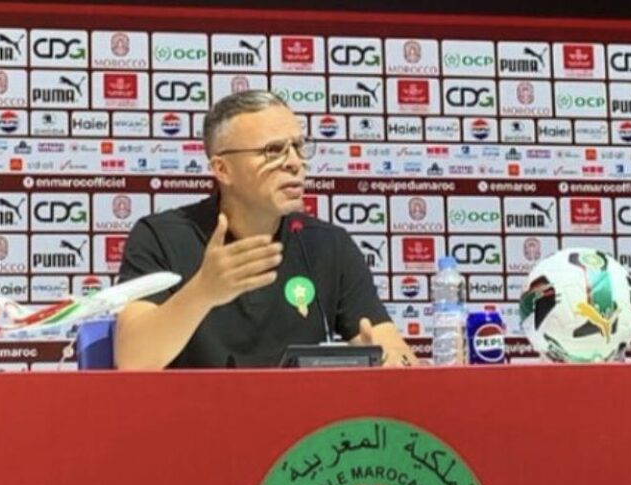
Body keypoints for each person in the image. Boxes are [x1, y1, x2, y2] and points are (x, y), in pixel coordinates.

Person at [115, 90, 418, 369]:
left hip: (301, 411)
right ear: (222, 169)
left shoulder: (328, 244)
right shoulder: (161, 237)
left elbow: (394, 348)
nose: (295, 163)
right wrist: (203, 291)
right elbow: (132, 360)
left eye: (298, 147)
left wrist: (389, 359)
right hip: (194, 410)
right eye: (273, 150)